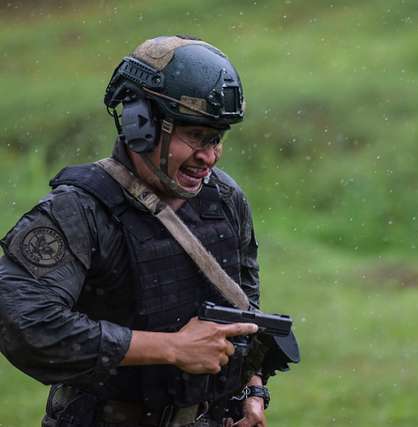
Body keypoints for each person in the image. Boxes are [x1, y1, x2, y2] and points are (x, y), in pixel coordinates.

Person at [0, 35, 280, 427]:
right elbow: (25, 324)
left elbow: (244, 306)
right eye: (195, 136)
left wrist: (251, 389)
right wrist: (171, 348)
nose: (209, 156)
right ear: (140, 125)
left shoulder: (225, 199)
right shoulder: (79, 211)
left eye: (217, 138)